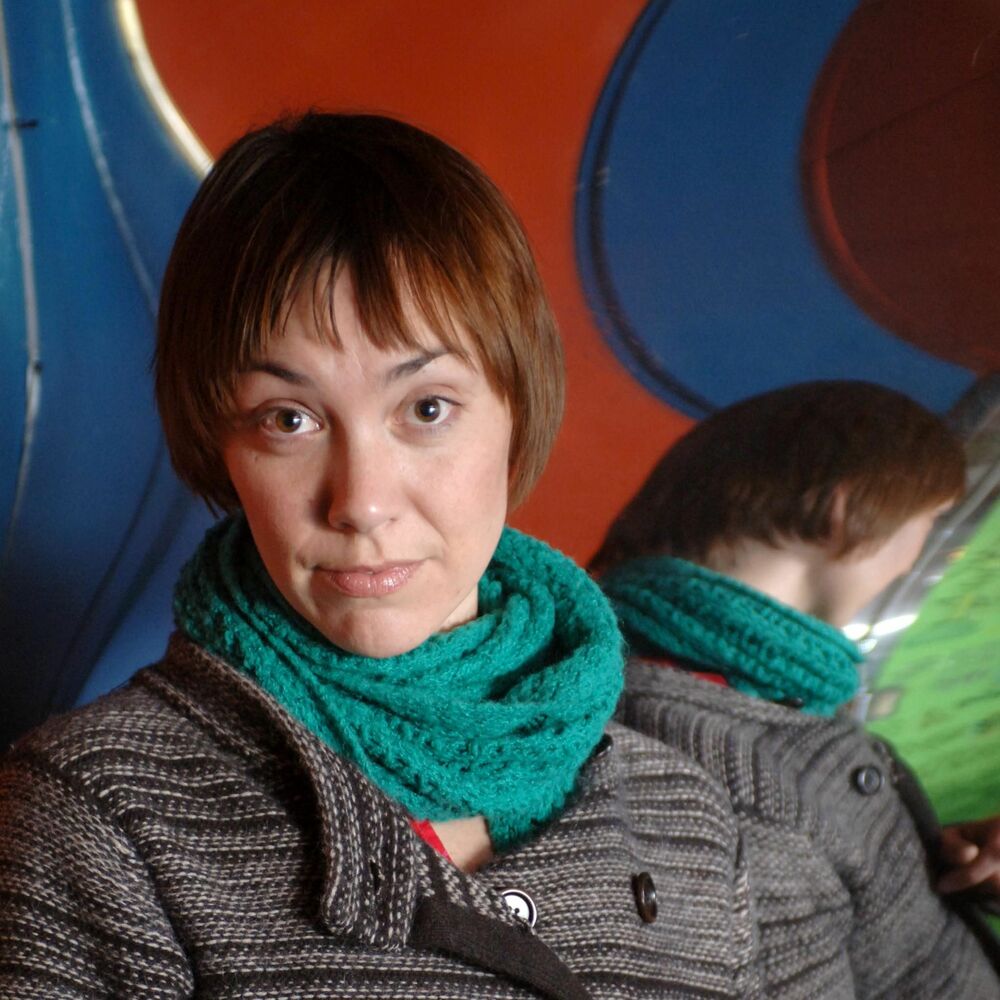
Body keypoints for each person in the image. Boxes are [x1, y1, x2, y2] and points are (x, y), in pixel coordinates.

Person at [0, 113, 761, 998]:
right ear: (221, 448)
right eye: (289, 419)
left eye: (427, 409)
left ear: (517, 411)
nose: (360, 502)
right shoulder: (95, 819)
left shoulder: (687, 813)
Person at [592, 380, 1000, 999]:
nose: (913, 559)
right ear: (847, 507)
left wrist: (925, 860)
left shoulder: (752, 691)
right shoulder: (728, 775)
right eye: (929, 520)